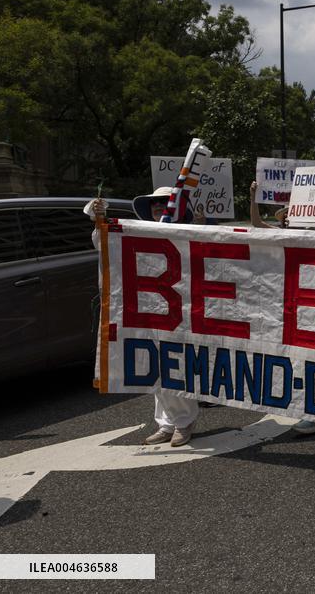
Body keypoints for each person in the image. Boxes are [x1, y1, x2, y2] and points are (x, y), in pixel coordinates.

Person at [88, 187, 200, 447]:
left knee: (176, 366)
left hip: (178, 315)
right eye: (155, 204)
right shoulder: (134, 233)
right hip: (145, 313)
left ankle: (184, 421)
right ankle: (166, 423)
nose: (160, 208)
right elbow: (104, 242)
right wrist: (99, 219)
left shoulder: (189, 234)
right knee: (152, 367)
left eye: (166, 204)